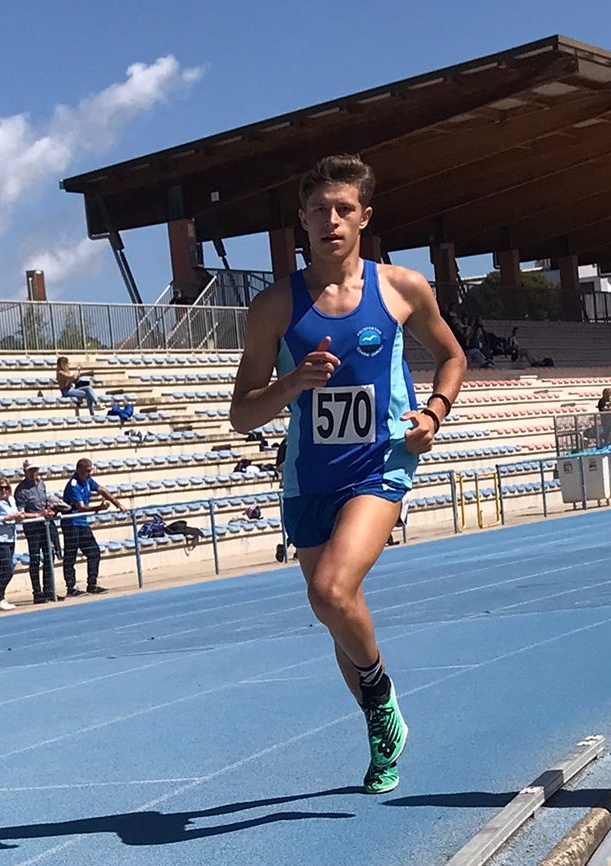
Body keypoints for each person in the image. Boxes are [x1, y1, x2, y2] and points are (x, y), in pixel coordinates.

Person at [230, 154, 466, 794]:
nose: (330, 220)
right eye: (319, 210)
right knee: (338, 612)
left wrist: (434, 412)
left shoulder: (402, 288)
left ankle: (381, 695)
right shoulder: (274, 305)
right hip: (309, 477)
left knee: (331, 591)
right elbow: (242, 415)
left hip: (379, 463)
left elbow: (452, 356)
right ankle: (380, 732)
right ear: (301, 220)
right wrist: (292, 382)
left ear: (364, 216)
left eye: (343, 209)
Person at [61, 457, 128, 595]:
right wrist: (99, 507)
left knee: (94, 552)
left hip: (82, 523)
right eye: (86, 471)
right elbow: (81, 507)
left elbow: (101, 490)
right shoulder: (73, 485)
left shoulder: (88, 480)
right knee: (70, 555)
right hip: (72, 524)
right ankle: (71, 587)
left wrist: (117, 504)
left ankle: (92, 584)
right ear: (79, 470)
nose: (89, 474)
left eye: (90, 471)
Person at [14, 459, 62, 604]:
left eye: (36, 470)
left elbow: (45, 504)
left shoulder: (41, 484)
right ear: (25, 472)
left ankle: (49, 590)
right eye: (31, 470)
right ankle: (37, 592)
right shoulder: (21, 490)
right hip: (33, 528)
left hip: (45, 526)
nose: (34, 473)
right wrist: (39, 514)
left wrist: (50, 511)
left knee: (49, 557)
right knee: (35, 559)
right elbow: (21, 513)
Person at [0, 477, 27, 611]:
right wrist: (8, 518)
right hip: (1, 540)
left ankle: (1, 597)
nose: (4, 490)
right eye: (1, 488)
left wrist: (19, 517)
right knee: (7, 570)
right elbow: (5, 518)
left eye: (6, 488)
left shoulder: (11, 500)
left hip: (11, 538)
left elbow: (16, 514)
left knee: (4, 570)